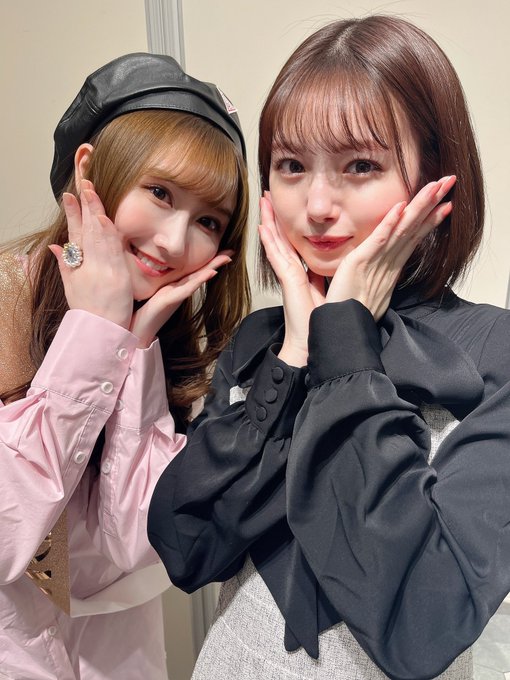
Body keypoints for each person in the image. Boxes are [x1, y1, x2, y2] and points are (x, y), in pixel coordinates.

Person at [148, 15, 510, 680]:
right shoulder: (260, 342)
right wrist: (293, 353)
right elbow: (187, 548)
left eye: (361, 165)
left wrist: (345, 341)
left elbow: (421, 623)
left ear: (436, 175)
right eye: (291, 165)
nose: (315, 205)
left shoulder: (495, 353)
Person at [0, 52, 249, 679]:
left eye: (208, 221)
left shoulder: (168, 345)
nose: (174, 241)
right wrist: (93, 334)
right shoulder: (5, 301)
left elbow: (133, 546)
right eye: (160, 193)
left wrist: (130, 350)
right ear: (90, 169)